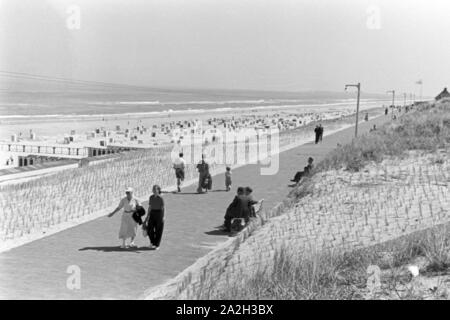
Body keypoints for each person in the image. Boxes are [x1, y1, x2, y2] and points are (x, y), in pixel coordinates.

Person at [144, 185, 165, 250]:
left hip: (159, 213)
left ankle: (157, 245)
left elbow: (163, 208)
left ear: (158, 190)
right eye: (153, 189)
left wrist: (163, 217)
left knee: (158, 230)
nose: (154, 190)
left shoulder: (161, 198)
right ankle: (152, 242)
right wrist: (147, 216)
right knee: (150, 229)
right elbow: (150, 207)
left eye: (155, 189)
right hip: (152, 213)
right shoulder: (151, 197)